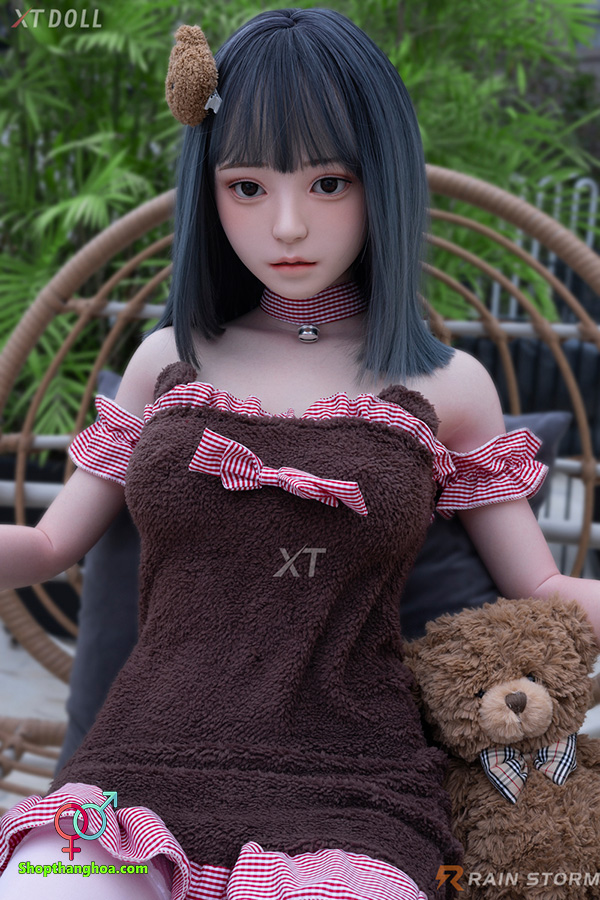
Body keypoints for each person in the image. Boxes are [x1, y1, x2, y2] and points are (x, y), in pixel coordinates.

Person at [0, 8, 599, 899]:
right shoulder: (169, 361)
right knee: (43, 887)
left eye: (328, 183)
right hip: (139, 766)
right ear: (208, 190)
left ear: (382, 178)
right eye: (247, 186)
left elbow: (541, 585)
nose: (286, 226)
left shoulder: (449, 386)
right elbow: (51, 544)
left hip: (353, 783)